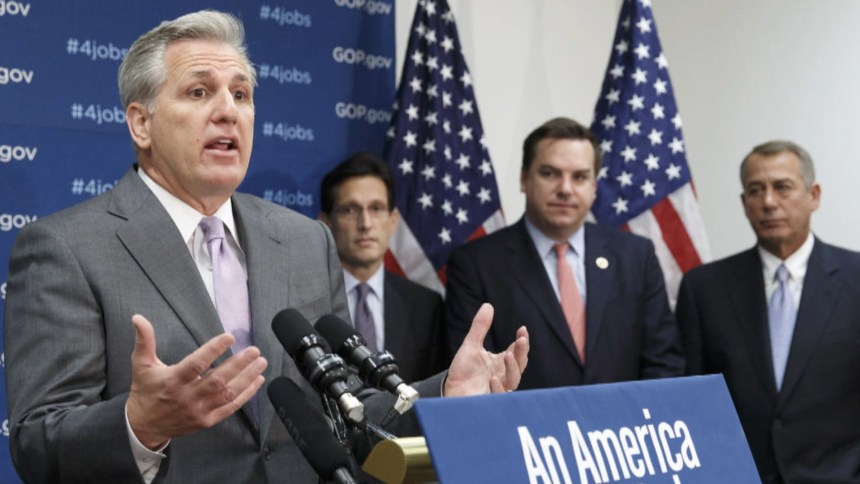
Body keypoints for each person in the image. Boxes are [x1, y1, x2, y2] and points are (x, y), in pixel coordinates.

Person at [3, 11, 529, 483]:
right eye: (199, 92)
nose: (227, 111)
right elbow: (36, 443)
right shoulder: (67, 248)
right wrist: (140, 423)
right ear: (142, 123)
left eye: (241, 94)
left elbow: (346, 405)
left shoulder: (304, 240)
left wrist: (445, 393)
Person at [445, 117, 683, 390]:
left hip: (624, 418)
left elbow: (664, 364)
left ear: (594, 187)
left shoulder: (637, 256)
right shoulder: (475, 264)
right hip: (525, 418)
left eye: (579, 177)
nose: (565, 189)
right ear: (524, 179)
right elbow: (475, 378)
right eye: (550, 173)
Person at [676, 140, 860, 483]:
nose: (769, 202)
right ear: (744, 204)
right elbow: (690, 401)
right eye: (756, 190)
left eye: (782, 187)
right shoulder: (704, 290)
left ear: (813, 195)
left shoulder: (855, 280)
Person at [319, 153, 449, 382]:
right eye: (350, 210)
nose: (365, 224)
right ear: (326, 223)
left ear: (392, 221)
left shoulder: (426, 307)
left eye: (376, 208)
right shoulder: (307, 301)